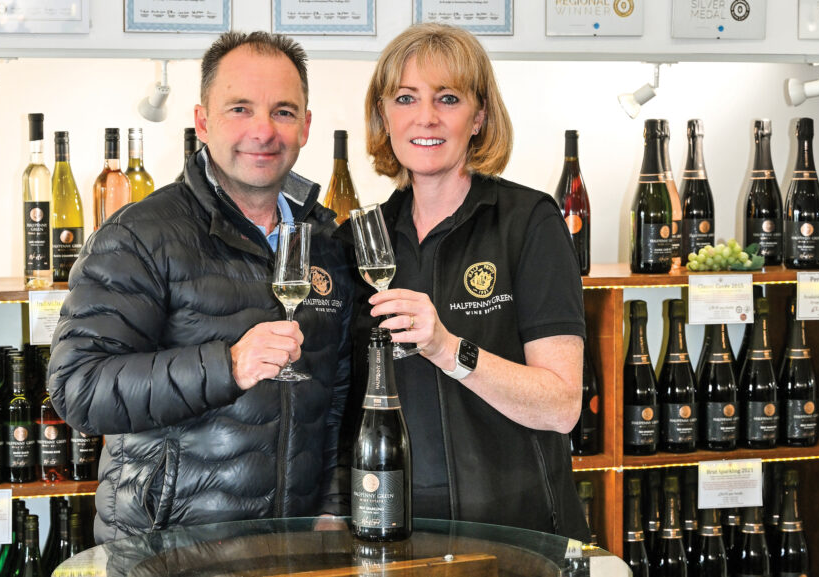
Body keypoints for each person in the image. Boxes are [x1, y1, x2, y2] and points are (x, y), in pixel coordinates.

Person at [49, 31, 353, 544]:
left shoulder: (325, 242)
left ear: (305, 127)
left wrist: (333, 504)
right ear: (203, 121)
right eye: (240, 108)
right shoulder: (138, 235)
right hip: (165, 551)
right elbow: (78, 388)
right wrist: (227, 365)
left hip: (290, 549)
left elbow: (338, 396)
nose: (263, 130)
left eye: (282, 111)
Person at [330, 23, 590, 540]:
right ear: (384, 116)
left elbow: (562, 407)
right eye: (406, 98)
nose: (426, 117)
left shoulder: (528, 223)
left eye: (447, 98)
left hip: (518, 534)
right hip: (397, 532)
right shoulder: (360, 242)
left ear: (479, 117)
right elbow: (343, 404)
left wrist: (448, 348)